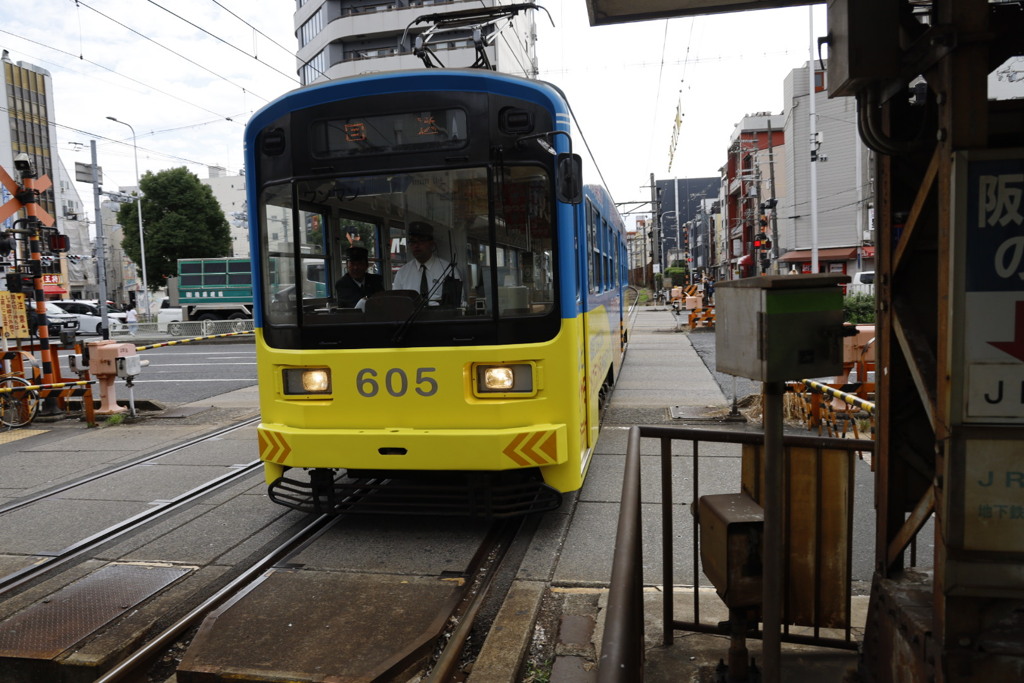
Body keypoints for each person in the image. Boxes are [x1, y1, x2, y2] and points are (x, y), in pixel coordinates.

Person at [392, 222, 461, 305]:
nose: (416, 245)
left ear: (431, 243)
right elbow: (397, 304)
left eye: (421, 241)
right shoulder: (402, 273)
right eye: (413, 242)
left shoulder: (448, 270)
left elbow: (458, 303)